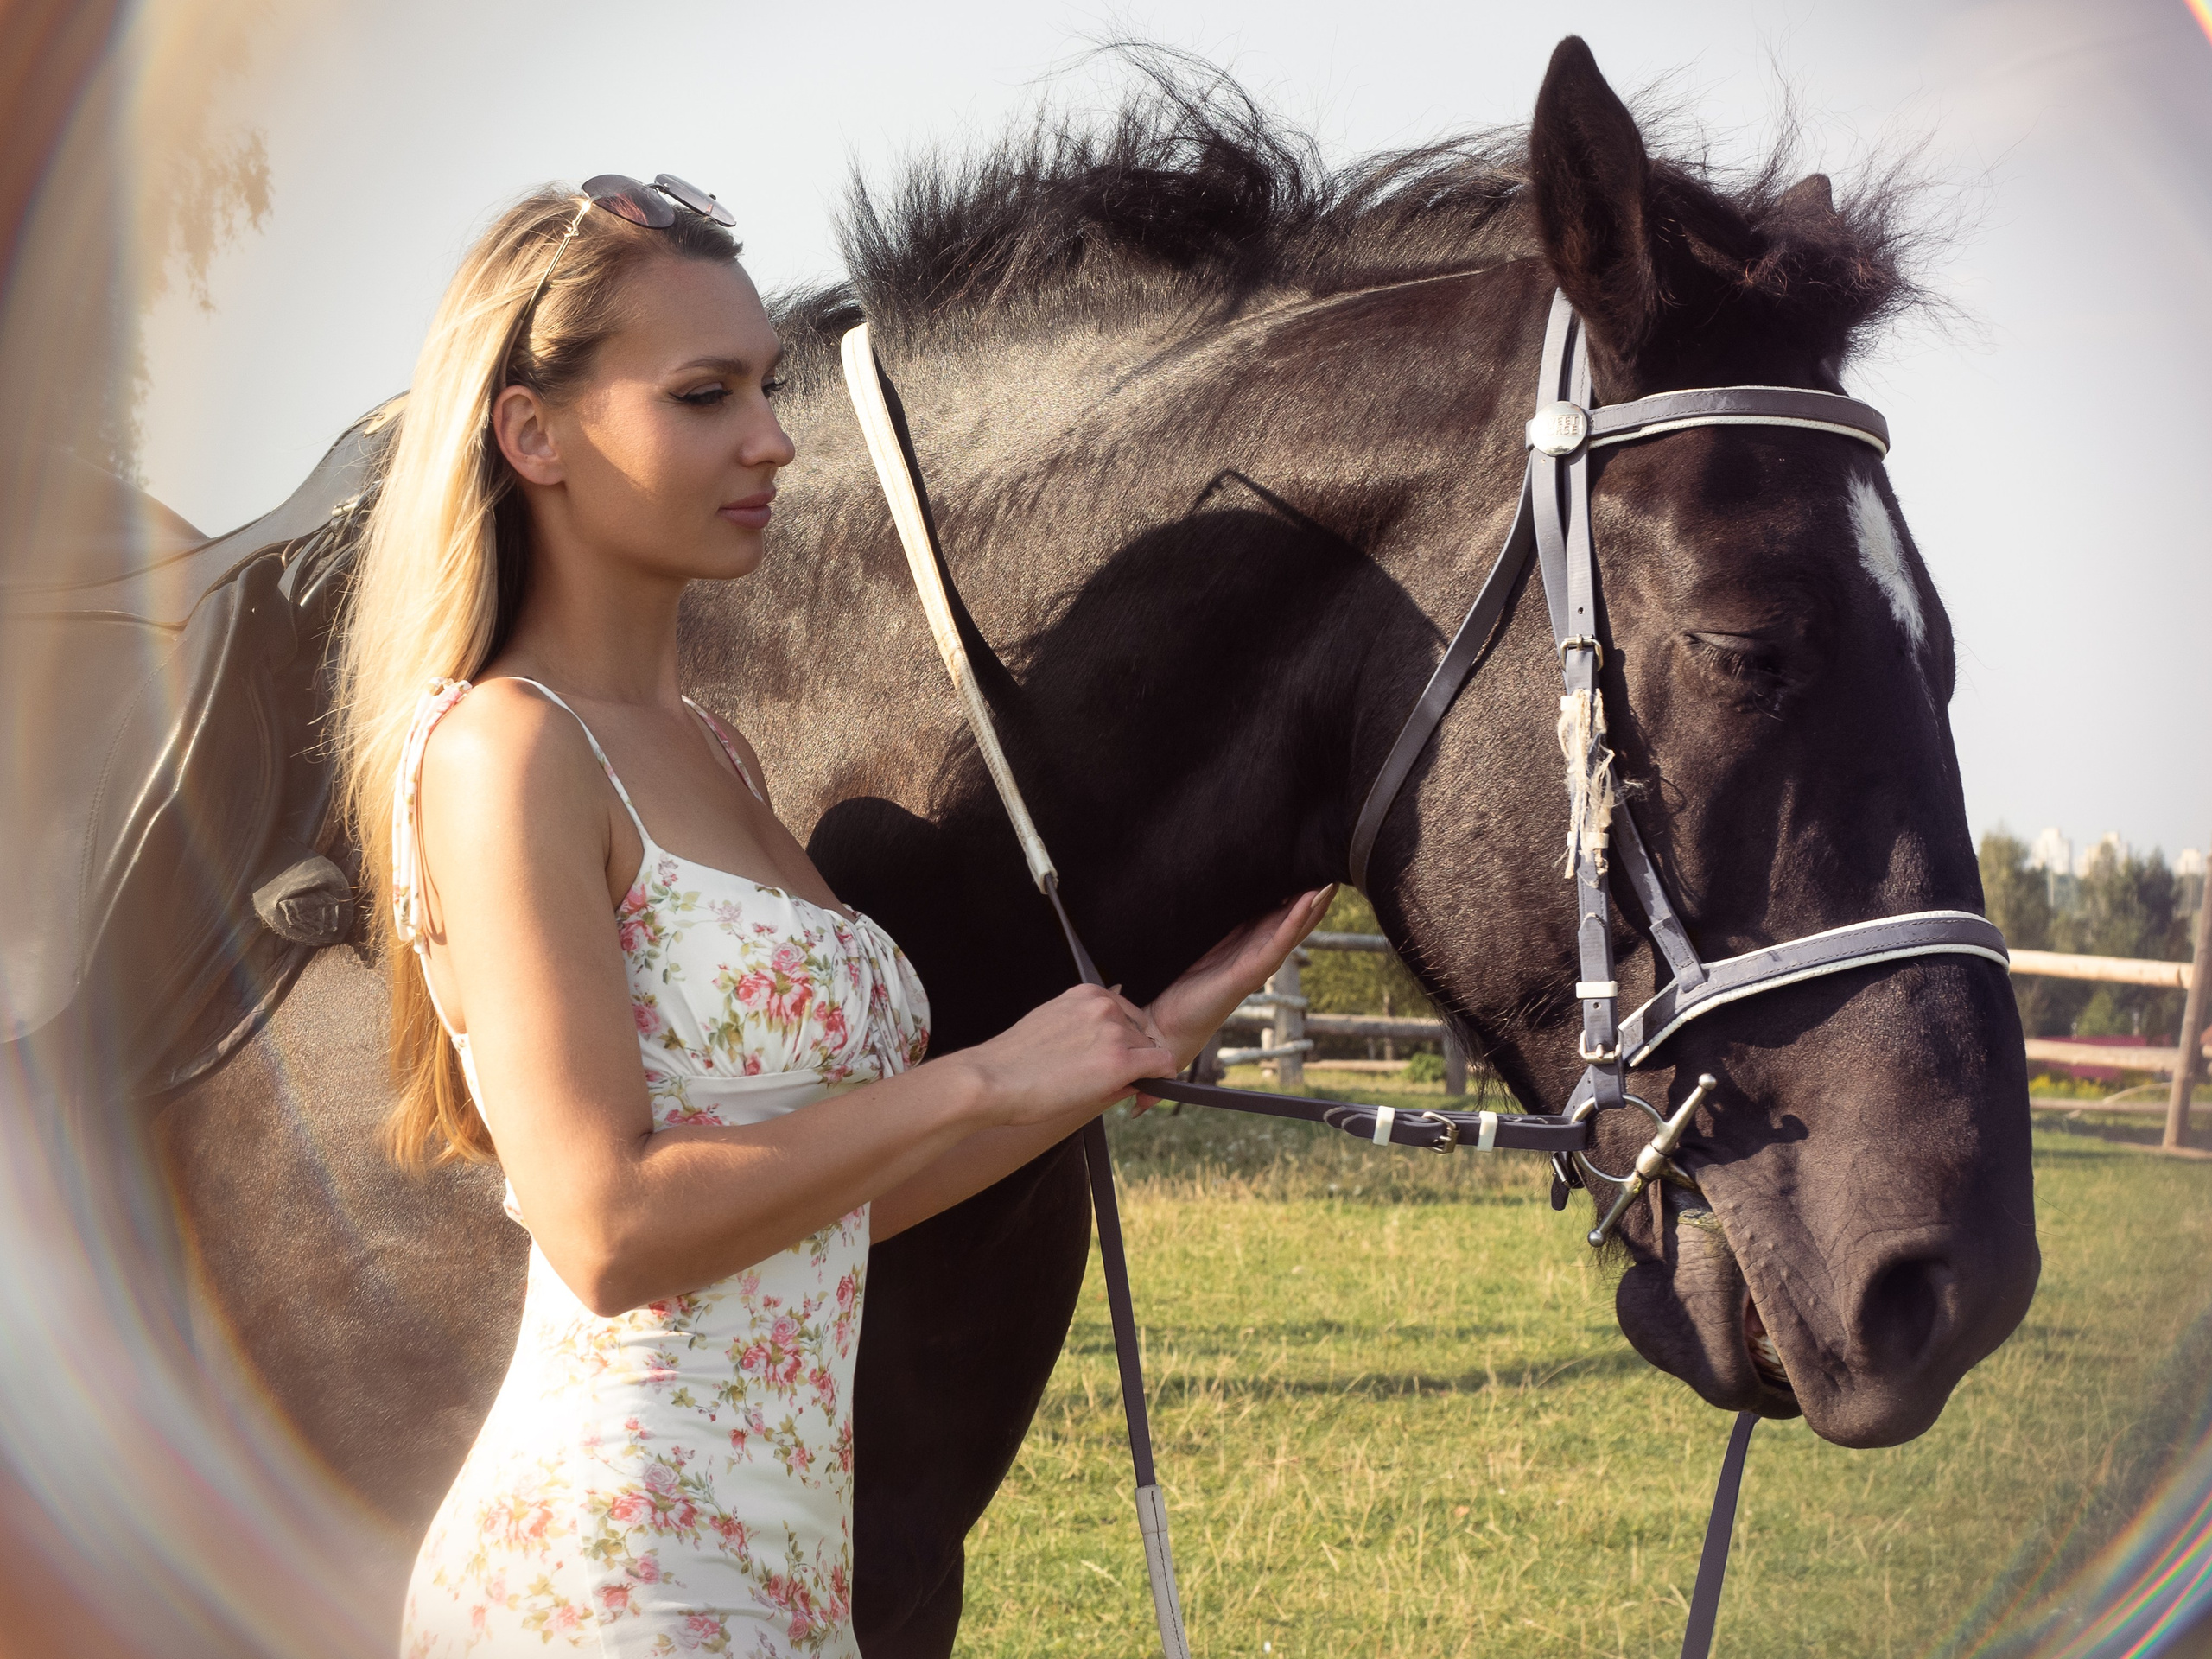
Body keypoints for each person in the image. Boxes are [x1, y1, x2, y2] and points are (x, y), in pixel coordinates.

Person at [333, 173, 1327, 1657]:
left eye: (770, 387)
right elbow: (607, 1229)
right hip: (607, 1581)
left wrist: (1119, 1056)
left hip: (781, 1582)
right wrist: (989, 1073)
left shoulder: (714, 750)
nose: (772, 437)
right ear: (531, 434)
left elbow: (816, 1224)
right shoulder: (505, 750)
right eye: (703, 395)